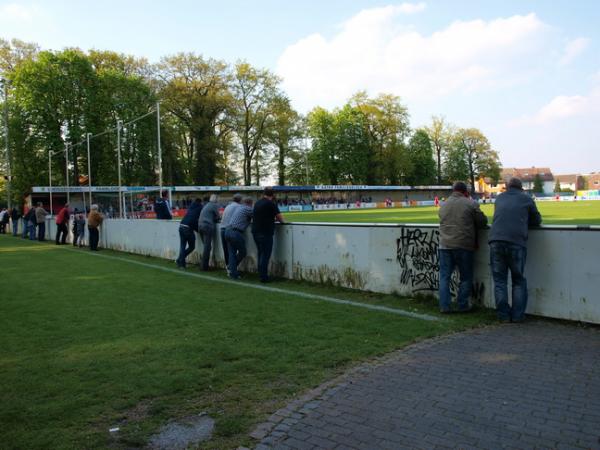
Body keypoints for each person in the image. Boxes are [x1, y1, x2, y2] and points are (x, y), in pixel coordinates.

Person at [489, 177, 542, 323]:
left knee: (500, 281)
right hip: (516, 242)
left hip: (496, 240)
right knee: (518, 280)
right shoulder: (526, 199)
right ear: (521, 188)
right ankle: (518, 316)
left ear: (506, 187)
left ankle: (503, 316)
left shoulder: (499, 198)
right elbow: (536, 220)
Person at [438, 181, 488, 313]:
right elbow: (482, 222)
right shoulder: (470, 203)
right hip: (463, 244)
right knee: (465, 277)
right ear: (465, 191)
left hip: (445, 245)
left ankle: (444, 306)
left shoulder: (443, 205)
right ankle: (462, 305)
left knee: (444, 277)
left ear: (453, 190)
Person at [252, 187, 285, 283]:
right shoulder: (271, 204)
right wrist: (283, 222)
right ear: (273, 195)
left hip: (255, 232)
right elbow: (280, 218)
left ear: (264, 193)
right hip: (265, 233)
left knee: (260, 253)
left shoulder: (257, 203)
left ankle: (261, 274)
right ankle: (263, 277)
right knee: (265, 255)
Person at [224, 197, 253, 280]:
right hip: (235, 232)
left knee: (232, 253)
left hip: (227, 231)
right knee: (243, 252)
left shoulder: (239, 208)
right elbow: (257, 216)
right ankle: (231, 268)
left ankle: (232, 272)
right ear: (250, 203)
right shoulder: (248, 209)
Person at [176, 198, 202, 269]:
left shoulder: (191, 207)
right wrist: (199, 231)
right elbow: (193, 221)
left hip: (181, 226)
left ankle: (181, 263)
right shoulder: (200, 208)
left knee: (182, 246)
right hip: (188, 228)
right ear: (200, 202)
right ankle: (180, 260)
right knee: (192, 247)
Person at [198, 194, 221, 271]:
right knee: (207, 248)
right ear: (216, 199)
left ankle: (203, 264)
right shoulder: (214, 205)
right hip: (207, 226)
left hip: (200, 226)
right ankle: (204, 267)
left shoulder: (207, 205)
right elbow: (218, 217)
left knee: (206, 247)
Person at [220, 193, 242, 269]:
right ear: (240, 200)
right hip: (229, 230)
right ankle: (231, 268)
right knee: (232, 251)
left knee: (226, 251)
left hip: (222, 229)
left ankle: (228, 268)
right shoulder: (239, 207)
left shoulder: (228, 206)